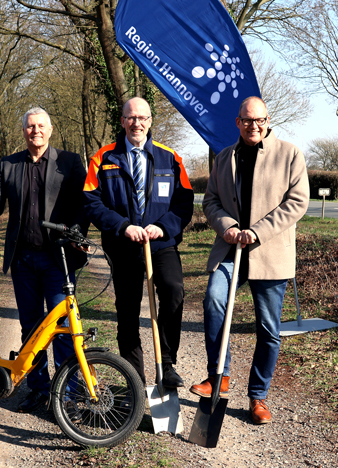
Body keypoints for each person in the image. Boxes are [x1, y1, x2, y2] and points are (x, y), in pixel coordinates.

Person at [189, 96, 309, 424]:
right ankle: (219, 375)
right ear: (238, 122)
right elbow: (211, 201)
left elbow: (297, 202)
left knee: (269, 328)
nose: (253, 126)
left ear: (268, 120)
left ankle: (258, 396)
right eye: (247, 120)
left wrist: (258, 231)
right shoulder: (225, 157)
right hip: (231, 249)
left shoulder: (289, 155)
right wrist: (227, 228)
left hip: (268, 252)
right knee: (214, 299)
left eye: (260, 120)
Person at [0, 107, 89, 413]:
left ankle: (66, 395)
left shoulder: (69, 162)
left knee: (62, 326)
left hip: (58, 259)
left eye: (40, 126)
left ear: (50, 130)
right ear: (23, 131)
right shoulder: (9, 165)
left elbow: (84, 203)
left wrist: (77, 236)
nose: (35, 130)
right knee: (30, 328)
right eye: (29, 126)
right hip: (23, 260)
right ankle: (38, 389)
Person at [83, 97, 193, 388]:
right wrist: (121, 226)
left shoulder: (171, 157)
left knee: (173, 291)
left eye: (142, 118)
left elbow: (184, 203)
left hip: (161, 244)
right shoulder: (103, 158)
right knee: (128, 311)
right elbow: (91, 202)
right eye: (131, 118)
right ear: (122, 121)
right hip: (123, 246)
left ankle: (167, 365)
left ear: (150, 121)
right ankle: (135, 377)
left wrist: (161, 227)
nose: (137, 123)